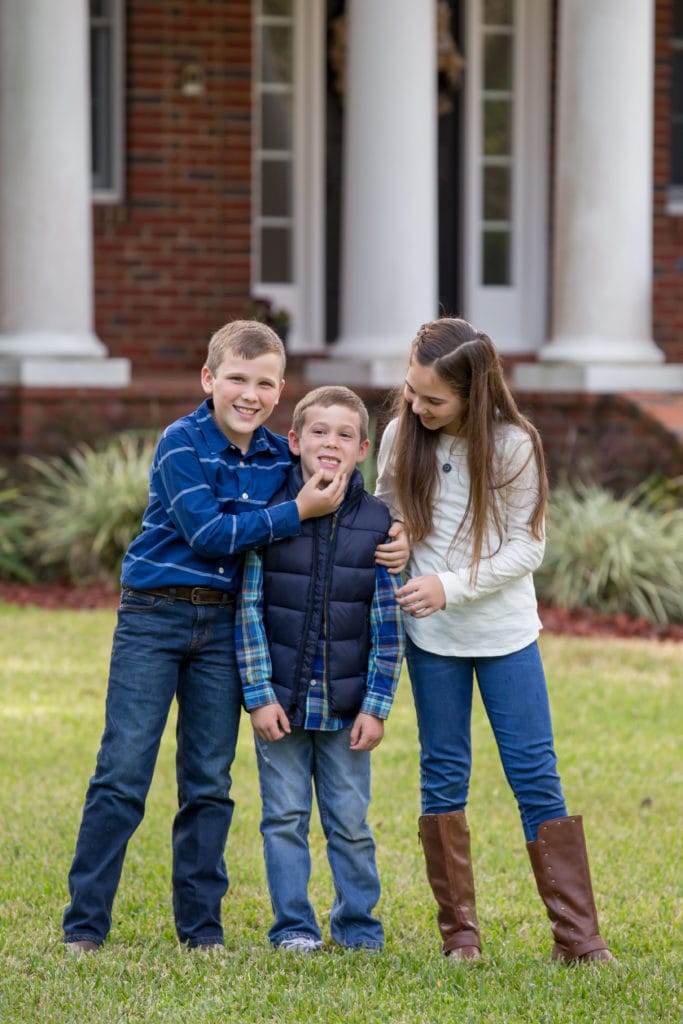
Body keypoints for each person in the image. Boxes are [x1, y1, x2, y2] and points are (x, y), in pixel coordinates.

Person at [62, 320, 353, 955]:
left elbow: (340, 488)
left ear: (279, 391)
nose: (250, 395)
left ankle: (201, 931)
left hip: (224, 627)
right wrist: (295, 512)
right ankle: (84, 925)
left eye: (265, 383)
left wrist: (398, 531)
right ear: (209, 380)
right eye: (237, 380)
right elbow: (210, 534)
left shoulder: (280, 455)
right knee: (123, 771)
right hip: (154, 618)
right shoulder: (180, 444)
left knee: (208, 779)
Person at [375, 318, 614, 964]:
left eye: (433, 400)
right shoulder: (401, 435)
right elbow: (388, 513)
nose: (417, 408)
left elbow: (526, 548)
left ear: (473, 394)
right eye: (412, 392)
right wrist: (393, 541)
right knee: (443, 772)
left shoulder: (512, 446)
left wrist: (448, 586)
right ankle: (460, 938)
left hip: (504, 634)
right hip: (432, 638)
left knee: (534, 774)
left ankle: (578, 940)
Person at [236, 386, 406, 953]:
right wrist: (259, 695)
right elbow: (250, 611)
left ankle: (358, 927)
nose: (329, 443)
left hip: (346, 706)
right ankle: (293, 928)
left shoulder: (378, 523)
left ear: (363, 449)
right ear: (294, 442)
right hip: (281, 703)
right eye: (317, 432)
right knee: (283, 818)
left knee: (350, 824)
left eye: (343, 435)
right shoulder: (273, 517)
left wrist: (377, 707)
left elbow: (387, 627)